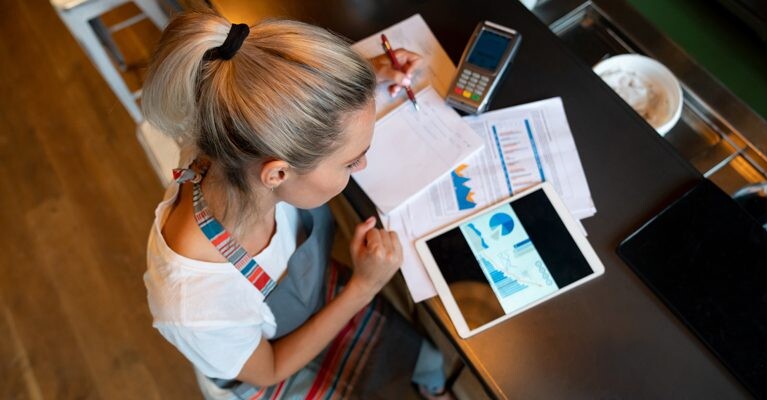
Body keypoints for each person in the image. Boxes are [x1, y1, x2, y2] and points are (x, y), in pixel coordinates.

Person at [142, 10, 451, 400]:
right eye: (351, 161)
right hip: (271, 365)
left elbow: (274, 100)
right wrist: (363, 287)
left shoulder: (228, 139)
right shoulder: (195, 303)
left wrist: (367, 76)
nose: (362, 166)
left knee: (426, 356)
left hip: (312, 294)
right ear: (277, 174)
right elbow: (269, 371)